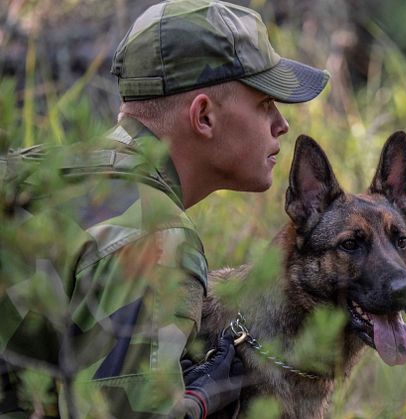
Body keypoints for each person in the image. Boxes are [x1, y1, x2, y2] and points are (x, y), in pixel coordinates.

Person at [0, 0, 329, 417]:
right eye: (265, 103)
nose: (281, 124)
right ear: (204, 116)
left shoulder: (41, 171)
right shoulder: (152, 239)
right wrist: (195, 407)